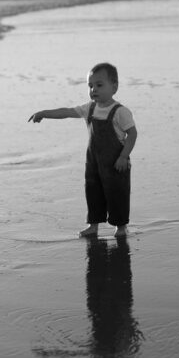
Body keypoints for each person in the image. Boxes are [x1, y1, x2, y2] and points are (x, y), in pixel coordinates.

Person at [29, 62, 137, 238]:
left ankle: (121, 227)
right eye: (90, 85)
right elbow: (67, 111)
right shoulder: (90, 108)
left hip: (116, 163)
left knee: (117, 193)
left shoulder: (120, 111)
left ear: (114, 87)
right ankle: (93, 225)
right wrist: (44, 113)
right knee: (93, 191)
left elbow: (132, 134)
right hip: (94, 162)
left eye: (99, 85)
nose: (93, 89)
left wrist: (124, 156)